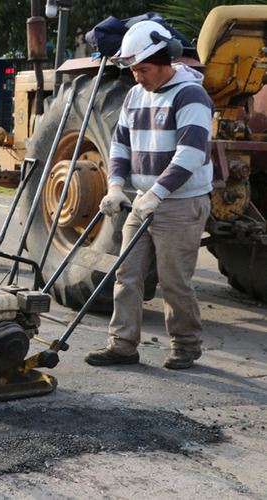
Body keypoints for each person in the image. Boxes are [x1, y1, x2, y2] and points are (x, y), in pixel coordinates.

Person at [85, 21, 215, 370]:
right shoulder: (134, 95)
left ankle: (186, 346)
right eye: (133, 70)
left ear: (166, 62)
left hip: (180, 202)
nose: (138, 77)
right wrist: (114, 186)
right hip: (143, 200)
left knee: (175, 280)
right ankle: (122, 345)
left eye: (144, 69)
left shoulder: (191, 95)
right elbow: (120, 144)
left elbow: (190, 154)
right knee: (126, 274)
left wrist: (157, 193)